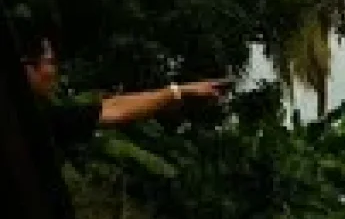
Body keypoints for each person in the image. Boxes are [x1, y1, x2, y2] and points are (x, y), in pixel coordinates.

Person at [17, 22, 228, 157]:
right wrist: (181, 91)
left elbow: (109, 107)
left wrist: (180, 91)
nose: (54, 71)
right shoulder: (33, 122)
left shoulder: (41, 116)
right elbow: (111, 111)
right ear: (25, 64)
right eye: (50, 62)